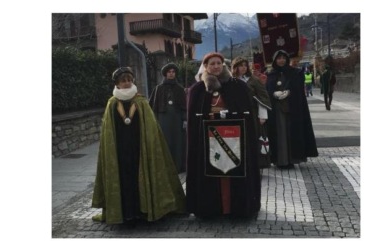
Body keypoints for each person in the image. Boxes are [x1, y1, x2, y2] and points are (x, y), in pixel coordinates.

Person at [91, 67, 186, 224]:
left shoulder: (141, 101)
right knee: (124, 180)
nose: (127, 83)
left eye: (129, 80)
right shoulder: (112, 103)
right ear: (117, 83)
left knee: (139, 177)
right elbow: (108, 131)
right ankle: (126, 213)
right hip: (119, 149)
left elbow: (150, 128)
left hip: (139, 147)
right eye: (123, 81)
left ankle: (143, 211)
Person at [186, 52, 261, 218]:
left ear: (223, 65)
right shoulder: (197, 90)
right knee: (211, 173)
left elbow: (247, 113)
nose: (216, 66)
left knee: (234, 171)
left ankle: (236, 208)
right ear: (205, 67)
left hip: (234, 140)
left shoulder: (237, 86)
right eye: (212, 64)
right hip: (208, 142)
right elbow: (193, 119)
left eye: (218, 63)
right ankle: (212, 208)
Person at [265, 50, 318, 169]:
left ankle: (291, 159)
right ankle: (280, 160)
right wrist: (273, 94)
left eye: (283, 58)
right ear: (275, 60)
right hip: (276, 109)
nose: (281, 60)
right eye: (279, 58)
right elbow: (266, 90)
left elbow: (299, 89)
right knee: (279, 133)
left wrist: (290, 92)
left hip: (292, 108)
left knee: (291, 133)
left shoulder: (295, 73)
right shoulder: (270, 74)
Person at [231, 57, 272, 168]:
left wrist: (262, 116)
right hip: (237, 115)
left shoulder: (254, 80)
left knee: (253, 139)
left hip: (252, 114)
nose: (243, 68)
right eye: (240, 65)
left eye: (245, 65)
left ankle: (255, 165)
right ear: (235, 67)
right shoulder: (231, 81)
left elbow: (263, 97)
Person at [149, 62, 186, 173]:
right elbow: (152, 106)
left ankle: (178, 166)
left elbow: (184, 106)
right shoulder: (158, 88)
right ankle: (165, 167)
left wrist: (185, 119)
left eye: (173, 72)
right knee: (165, 142)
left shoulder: (180, 88)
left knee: (177, 143)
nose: (171, 74)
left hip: (177, 119)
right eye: (169, 72)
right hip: (163, 119)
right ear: (165, 74)